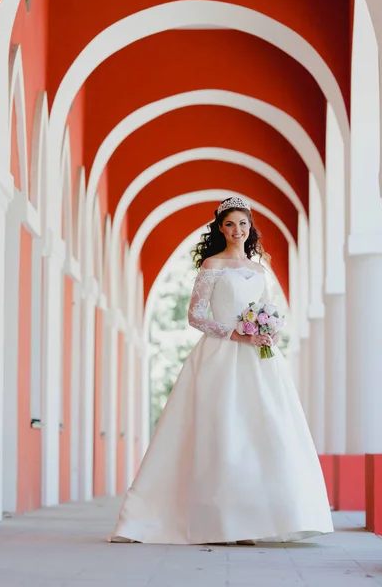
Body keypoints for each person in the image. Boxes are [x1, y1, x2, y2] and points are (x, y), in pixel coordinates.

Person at [109, 197, 333, 545]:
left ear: (250, 227)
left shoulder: (259, 269)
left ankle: (253, 521)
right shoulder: (212, 264)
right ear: (220, 228)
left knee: (261, 432)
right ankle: (216, 522)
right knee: (222, 433)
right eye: (229, 224)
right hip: (221, 355)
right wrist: (235, 333)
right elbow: (195, 315)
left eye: (242, 223)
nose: (237, 230)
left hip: (260, 358)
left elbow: (266, 309)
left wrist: (269, 330)